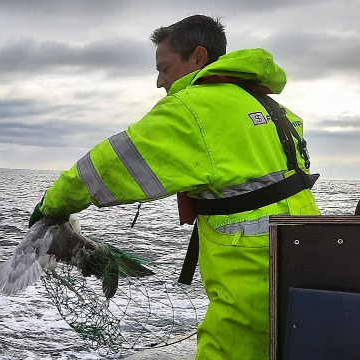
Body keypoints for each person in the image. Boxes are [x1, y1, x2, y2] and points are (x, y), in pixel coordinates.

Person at [28, 15, 320, 360]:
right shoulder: (273, 109)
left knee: (230, 346)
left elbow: (105, 168)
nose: (158, 82)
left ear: (198, 57)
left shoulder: (194, 109)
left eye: (164, 69)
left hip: (252, 267)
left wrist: (50, 208)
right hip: (307, 250)